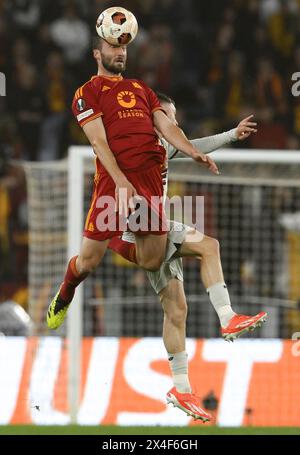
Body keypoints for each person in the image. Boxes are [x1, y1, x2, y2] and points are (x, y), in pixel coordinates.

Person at [108, 93, 267, 421]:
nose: (175, 123)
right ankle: (227, 317)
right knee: (210, 246)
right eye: (169, 116)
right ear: (153, 118)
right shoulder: (136, 146)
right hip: (142, 226)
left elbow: (194, 143)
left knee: (176, 309)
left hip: (149, 227)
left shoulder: (162, 145)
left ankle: (180, 386)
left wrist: (230, 135)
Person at [47, 37, 218, 340]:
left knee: (153, 260)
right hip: (113, 186)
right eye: (113, 47)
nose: (120, 52)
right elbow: (99, 143)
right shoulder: (86, 93)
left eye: (123, 47)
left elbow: (167, 127)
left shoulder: (141, 89)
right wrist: (122, 182)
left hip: (148, 184)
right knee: (88, 262)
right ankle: (65, 292)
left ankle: (117, 240)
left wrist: (192, 151)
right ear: (97, 54)